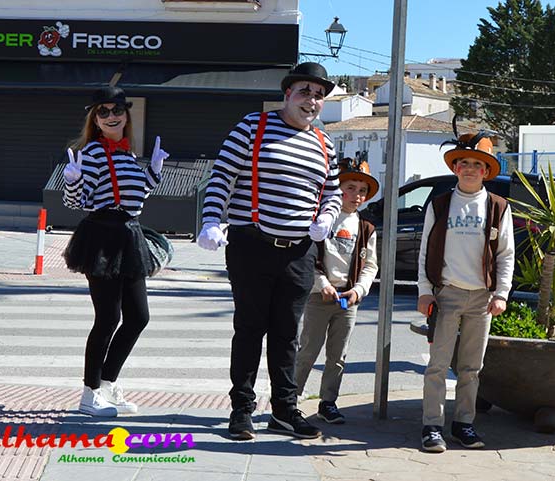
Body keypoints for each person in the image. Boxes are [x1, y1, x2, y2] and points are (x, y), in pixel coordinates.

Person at [196, 62, 342, 440]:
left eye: (319, 95)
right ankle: (241, 410)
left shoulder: (324, 143)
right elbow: (222, 176)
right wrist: (211, 220)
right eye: (305, 91)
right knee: (249, 329)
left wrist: (327, 217)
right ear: (287, 93)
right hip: (252, 245)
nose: (312, 100)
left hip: (299, 252)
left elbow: (333, 192)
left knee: (287, 333)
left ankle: (284, 410)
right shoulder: (252, 126)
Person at [62, 86, 169, 417]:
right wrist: (72, 180)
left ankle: (107, 384)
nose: (111, 116)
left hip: (129, 235)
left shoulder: (127, 154)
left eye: (117, 110)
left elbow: (136, 197)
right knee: (108, 318)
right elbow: (76, 202)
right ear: (95, 119)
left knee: (138, 317)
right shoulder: (93, 153)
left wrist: (153, 172)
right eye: (103, 111)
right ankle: (90, 393)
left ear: (126, 115)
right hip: (102, 237)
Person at [417, 129, 515, 452]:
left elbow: (506, 254)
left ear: (486, 171)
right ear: (455, 168)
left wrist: (501, 293)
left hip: (481, 298)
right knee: (438, 364)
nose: (470, 169)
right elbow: (425, 250)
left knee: (471, 367)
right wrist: (425, 290)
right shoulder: (440, 204)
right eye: (464, 163)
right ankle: (432, 426)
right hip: (446, 294)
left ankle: (463, 424)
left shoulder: (498, 207)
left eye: (477, 164)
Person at [295, 157, 379, 424]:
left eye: (362, 190)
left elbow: (370, 265)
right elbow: (308, 257)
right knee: (308, 350)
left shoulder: (366, 228)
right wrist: (322, 284)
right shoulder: (323, 220)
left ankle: (328, 402)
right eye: (350, 188)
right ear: (337, 189)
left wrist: (359, 290)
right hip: (319, 296)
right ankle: (290, 398)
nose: (356, 195)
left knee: (338, 354)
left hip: (347, 299)